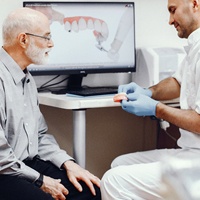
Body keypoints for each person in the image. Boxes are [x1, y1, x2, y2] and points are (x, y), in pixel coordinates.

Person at [100, 0, 200, 199]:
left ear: (195, 4)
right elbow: (179, 82)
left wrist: (157, 109)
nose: (170, 21)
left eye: (173, 11)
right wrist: (147, 92)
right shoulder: (195, 46)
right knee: (120, 164)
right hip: (191, 151)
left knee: (114, 180)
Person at [0, 7, 101, 200]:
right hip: (5, 172)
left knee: (90, 191)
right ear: (23, 40)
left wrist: (68, 164)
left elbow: (39, 136)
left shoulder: (25, 77)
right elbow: (1, 158)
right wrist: (40, 181)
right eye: (46, 37)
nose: (51, 43)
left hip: (27, 165)